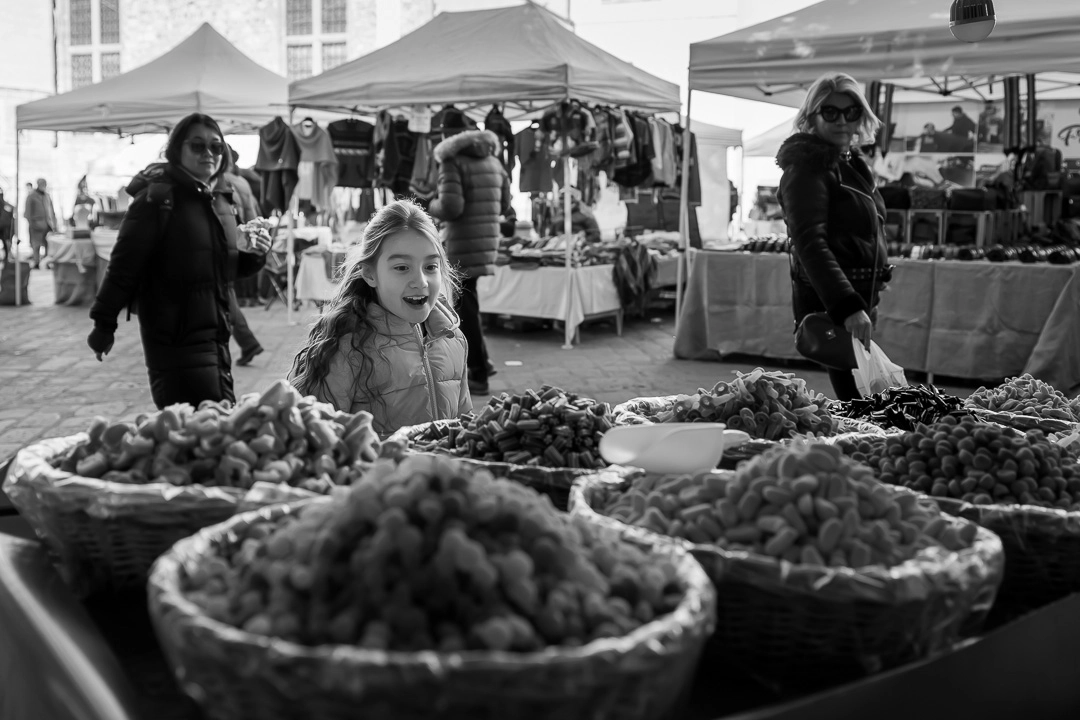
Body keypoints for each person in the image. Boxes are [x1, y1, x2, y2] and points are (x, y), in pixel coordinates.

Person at [86, 112, 271, 409]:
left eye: (216, 147)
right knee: (203, 429)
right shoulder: (156, 199)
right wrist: (103, 324)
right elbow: (124, 266)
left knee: (212, 429)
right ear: (177, 150)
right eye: (197, 146)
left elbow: (225, 272)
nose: (209, 153)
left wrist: (255, 253)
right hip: (173, 338)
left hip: (215, 337)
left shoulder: (222, 199)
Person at [289, 199, 470, 437]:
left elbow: (465, 424)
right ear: (370, 274)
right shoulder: (345, 347)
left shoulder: (452, 337)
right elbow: (312, 440)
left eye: (430, 266)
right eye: (402, 268)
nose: (421, 282)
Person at [776, 72, 889, 401]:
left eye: (851, 112)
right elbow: (809, 243)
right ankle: (856, 452)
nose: (842, 120)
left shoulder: (849, 163)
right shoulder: (808, 169)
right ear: (811, 118)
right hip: (837, 303)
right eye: (830, 112)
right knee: (861, 402)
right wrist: (847, 307)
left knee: (866, 397)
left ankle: (858, 449)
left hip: (857, 298)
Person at [428, 128, 511, 396]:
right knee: (468, 302)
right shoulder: (494, 161)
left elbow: (451, 207)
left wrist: (432, 203)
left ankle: (477, 370)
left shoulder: (451, 161)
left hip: (462, 241)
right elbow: (505, 204)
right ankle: (482, 362)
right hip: (486, 241)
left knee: (463, 306)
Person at [223, 145, 265, 365]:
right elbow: (253, 216)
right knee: (227, 294)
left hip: (230, 243)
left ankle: (249, 344)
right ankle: (249, 344)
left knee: (226, 295)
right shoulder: (242, 182)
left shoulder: (222, 182)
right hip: (244, 244)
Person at [22, 178, 57, 269]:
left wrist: (54, 223)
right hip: (36, 224)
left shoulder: (47, 196)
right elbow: (27, 212)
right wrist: (32, 223)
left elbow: (51, 211)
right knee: (36, 244)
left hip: (47, 224)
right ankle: (36, 261)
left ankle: (46, 261)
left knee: (48, 244)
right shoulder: (31, 196)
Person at [0, 189, 14, 263]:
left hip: (5, 227)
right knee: (6, 242)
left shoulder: (6, 204)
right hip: (6, 227)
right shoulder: (6, 204)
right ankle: (7, 257)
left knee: (6, 242)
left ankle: (7, 256)